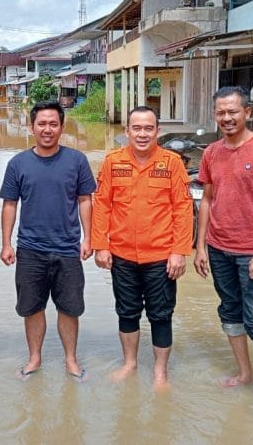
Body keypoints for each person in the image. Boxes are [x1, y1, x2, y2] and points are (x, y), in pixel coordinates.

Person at [193, 86, 253, 413]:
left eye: (233, 111)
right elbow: (206, 200)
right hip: (218, 248)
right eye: (221, 112)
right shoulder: (211, 153)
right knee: (230, 310)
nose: (227, 118)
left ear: (247, 112)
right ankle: (245, 373)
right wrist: (200, 246)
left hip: (252, 251)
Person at [91, 106, 193, 390]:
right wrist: (101, 245)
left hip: (161, 257)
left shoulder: (172, 163)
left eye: (149, 128)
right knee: (127, 311)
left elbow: (183, 210)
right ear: (127, 132)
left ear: (157, 131)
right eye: (137, 128)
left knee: (161, 314)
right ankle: (130, 363)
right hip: (122, 255)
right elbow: (102, 206)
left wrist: (179, 251)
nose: (143, 134)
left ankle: (160, 372)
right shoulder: (113, 162)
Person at [0, 100, 96, 380]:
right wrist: (7, 243)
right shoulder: (18, 163)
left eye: (53, 124)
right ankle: (35, 358)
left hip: (67, 249)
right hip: (30, 249)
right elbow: (9, 205)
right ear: (31, 127)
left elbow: (85, 201)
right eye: (42, 123)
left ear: (62, 127)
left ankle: (70, 360)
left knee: (70, 308)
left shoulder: (77, 160)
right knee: (32, 307)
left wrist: (88, 238)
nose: (47, 129)